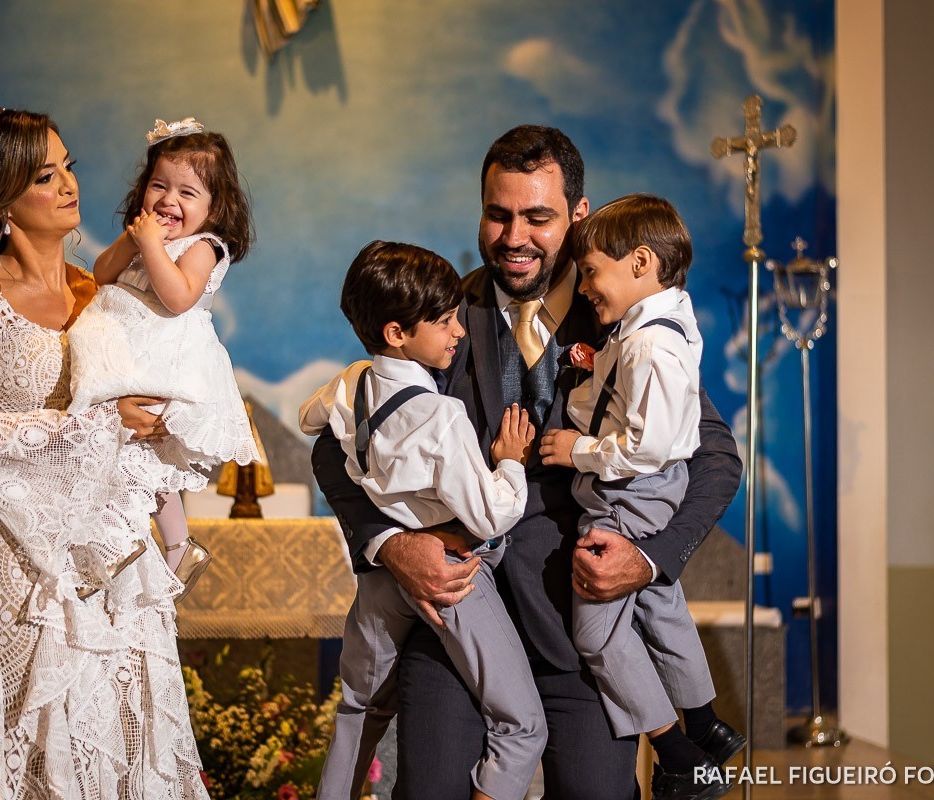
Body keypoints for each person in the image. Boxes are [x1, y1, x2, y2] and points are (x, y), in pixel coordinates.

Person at [311, 125, 743, 800]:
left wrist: (650, 559)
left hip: (581, 637)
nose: (515, 236)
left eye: (538, 217)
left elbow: (713, 454)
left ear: (578, 214)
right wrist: (392, 545)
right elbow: (335, 447)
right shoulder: (438, 311)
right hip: (455, 626)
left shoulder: (627, 323)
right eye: (498, 214)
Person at [0, 107, 209, 799]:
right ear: (0, 200)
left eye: (68, 167)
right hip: (23, 571)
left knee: (129, 738)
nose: (67, 186)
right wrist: (95, 424)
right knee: (28, 752)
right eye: (43, 174)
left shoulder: (106, 293)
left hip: (116, 562)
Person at [301, 241, 545, 800]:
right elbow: (492, 512)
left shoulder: (352, 381)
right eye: (443, 321)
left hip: (383, 584)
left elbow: (309, 417)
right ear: (397, 333)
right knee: (523, 725)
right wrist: (510, 460)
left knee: (359, 708)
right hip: (451, 576)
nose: (458, 331)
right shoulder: (441, 415)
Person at [536, 193, 740, 798]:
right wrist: (589, 369)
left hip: (627, 495)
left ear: (641, 263)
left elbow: (648, 445)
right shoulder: (645, 331)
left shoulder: (652, 345)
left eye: (592, 271)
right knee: (660, 608)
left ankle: (678, 754)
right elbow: (625, 400)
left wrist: (576, 449)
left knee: (597, 636)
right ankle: (705, 724)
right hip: (639, 489)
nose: (587, 285)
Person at [66, 117, 259, 598]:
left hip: (166, 365)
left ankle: (151, 543)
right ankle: (157, 544)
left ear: (216, 208)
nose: (169, 201)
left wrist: (154, 247)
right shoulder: (142, 242)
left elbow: (177, 297)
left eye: (188, 193)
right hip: (126, 361)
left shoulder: (204, 246)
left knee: (144, 462)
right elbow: (104, 276)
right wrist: (133, 241)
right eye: (158, 186)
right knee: (120, 455)